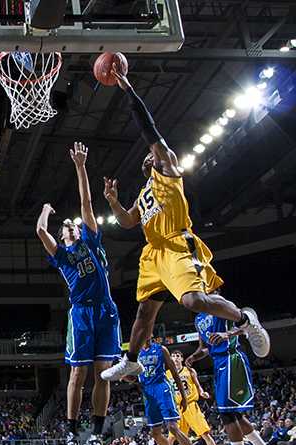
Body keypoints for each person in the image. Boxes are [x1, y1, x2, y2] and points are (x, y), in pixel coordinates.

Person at [99, 65, 270, 382]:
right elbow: (126, 222)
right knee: (144, 313)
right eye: (150, 155)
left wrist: (129, 92)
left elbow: (148, 129)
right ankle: (132, 360)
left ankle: (244, 318)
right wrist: (113, 202)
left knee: (193, 301)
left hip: (178, 243)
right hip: (153, 254)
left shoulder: (169, 171)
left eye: (155, 152)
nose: (153, 154)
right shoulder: (145, 191)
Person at [36, 142, 122, 445]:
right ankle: (72, 437)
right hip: (82, 313)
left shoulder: (90, 238)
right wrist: (45, 207)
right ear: (64, 234)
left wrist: (80, 166)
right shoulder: (62, 256)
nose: (72, 225)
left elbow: (86, 200)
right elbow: (40, 229)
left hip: (106, 310)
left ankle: (96, 437)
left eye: (73, 224)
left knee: (104, 377)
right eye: (67, 226)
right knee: (77, 376)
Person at [186, 312, 283, 445]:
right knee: (234, 415)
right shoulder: (198, 318)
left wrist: (228, 334)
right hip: (219, 363)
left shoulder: (220, 305)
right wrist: (194, 356)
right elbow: (205, 347)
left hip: (232, 359)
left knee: (227, 414)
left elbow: (249, 323)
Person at [135, 339, 208, 445]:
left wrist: (184, 398)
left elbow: (175, 373)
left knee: (173, 428)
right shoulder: (135, 353)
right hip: (147, 393)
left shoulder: (161, 349)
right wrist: (120, 374)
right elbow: (132, 378)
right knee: (155, 433)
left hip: (162, 389)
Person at [165, 349, 221, 445]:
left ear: (181, 359)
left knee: (204, 434)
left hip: (190, 405)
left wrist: (202, 392)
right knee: (172, 436)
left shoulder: (189, 371)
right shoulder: (167, 374)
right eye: (173, 356)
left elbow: (197, 384)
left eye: (177, 356)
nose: (175, 358)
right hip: (177, 408)